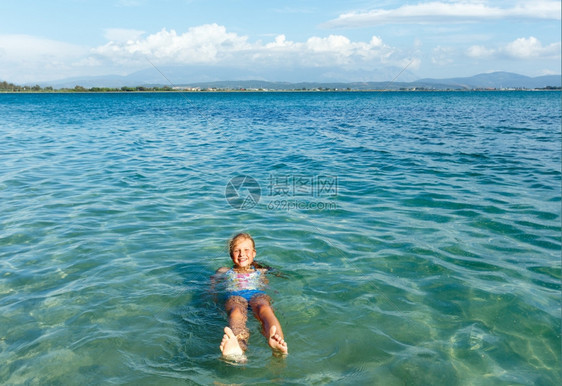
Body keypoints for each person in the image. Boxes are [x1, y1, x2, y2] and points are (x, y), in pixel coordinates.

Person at [213, 233, 288, 360]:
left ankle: (276, 341)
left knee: (264, 308)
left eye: (246, 250)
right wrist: (214, 299)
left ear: (254, 253)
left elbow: (275, 277)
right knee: (236, 311)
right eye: (237, 250)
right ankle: (238, 349)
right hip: (234, 296)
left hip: (256, 295)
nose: (242, 254)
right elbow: (212, 286)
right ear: (231, 255)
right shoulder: (223, 271)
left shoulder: (261, 270)